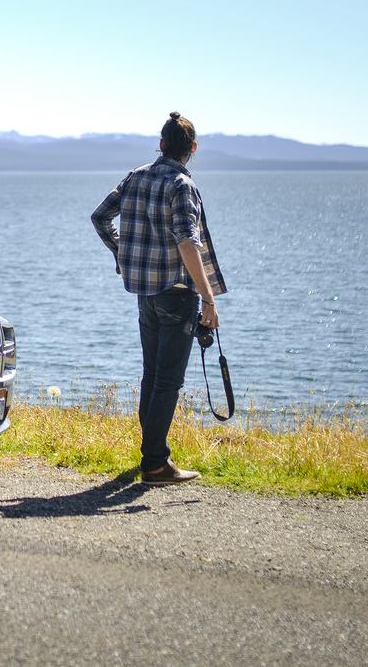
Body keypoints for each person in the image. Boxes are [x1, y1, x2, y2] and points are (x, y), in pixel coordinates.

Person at [90, 111, 227, 484]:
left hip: (144, 294)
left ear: (162, 144)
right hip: (177, 295)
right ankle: (154, 463)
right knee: (168, 381)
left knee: (153, 374)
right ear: (192, 148)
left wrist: (121, 252)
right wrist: (209, 299)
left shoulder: (136, 176)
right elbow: (187, 241)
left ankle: (151, 456)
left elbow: (100, 217)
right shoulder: (183, 185)